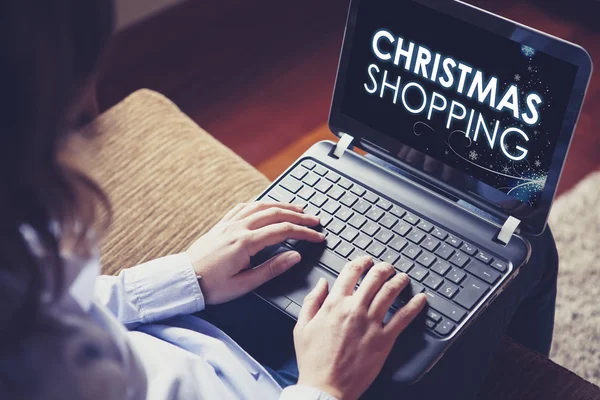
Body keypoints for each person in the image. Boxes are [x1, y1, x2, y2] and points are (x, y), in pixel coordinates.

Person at [0, 1, 559, 399]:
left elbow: (68, 306)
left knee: (498, 224)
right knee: (529, 242)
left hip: (197, 339)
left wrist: (183, 276)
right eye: (69, 125)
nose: (90, 125)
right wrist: (323, 386)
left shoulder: (18, 269)